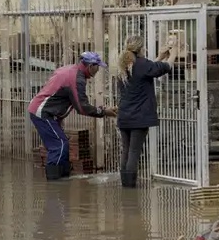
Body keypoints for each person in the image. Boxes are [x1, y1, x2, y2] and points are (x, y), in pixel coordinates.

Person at [28, 52, 117, 181]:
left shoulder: (70, 70)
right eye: (97, 67)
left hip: (47, 112)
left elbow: (73, 101)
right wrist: (104, 112)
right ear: (90, 66)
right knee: (59, 145)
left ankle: (63, 179)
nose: (98, 71)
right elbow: (82, 108)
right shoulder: (76, 78)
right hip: (43, 113)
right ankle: (54, 185)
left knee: (62, 145)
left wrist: (102, 109)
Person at [116, 36, 177, 188]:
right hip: (139, 116)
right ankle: (130, 187)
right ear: (141, 48)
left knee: (126, 150)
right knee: (134, 151)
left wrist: (161, 56)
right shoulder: (142, 64)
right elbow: (165, 68)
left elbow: (148, 70)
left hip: (124, 116)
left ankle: (125, 186)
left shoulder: (123, 64)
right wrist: (174, 53)